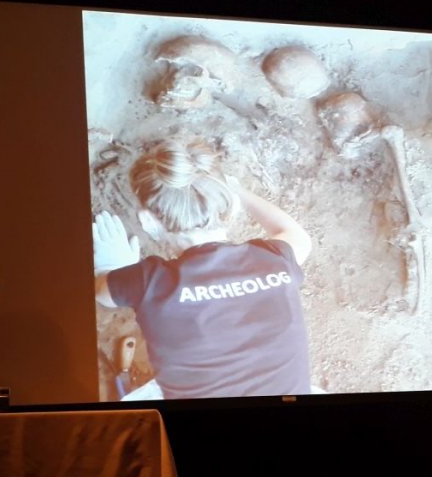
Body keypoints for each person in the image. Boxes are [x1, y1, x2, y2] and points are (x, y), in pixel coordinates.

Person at [93, 137, 313, 399]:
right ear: (229, 206)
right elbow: (297, 236)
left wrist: (113, 264)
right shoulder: (277, 260)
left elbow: (102, 293)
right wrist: (237, 190)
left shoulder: (147, 281)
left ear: (148, 222)